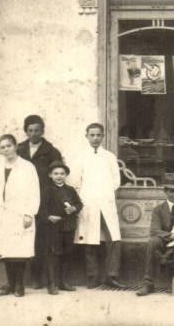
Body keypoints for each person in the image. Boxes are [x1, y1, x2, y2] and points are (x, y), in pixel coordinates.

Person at [73, 123, 126, 289]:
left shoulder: (109, 157)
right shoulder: (81, 157)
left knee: (114, 239)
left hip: (106, 202)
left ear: (103, 136)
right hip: (88, 203)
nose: (95, 138)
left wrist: (105, 194)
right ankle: (93, 276)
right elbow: (75, 181)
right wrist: (86, 197)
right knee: (91, 240)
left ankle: (112, 276)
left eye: (98, 135)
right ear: (87, 136)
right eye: (92, 135)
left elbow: (116, 180)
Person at [16, 114, 64, 289]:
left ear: (43, 131)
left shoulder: (52, 151)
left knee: (43, 240)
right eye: (30, 130)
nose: (33, 134)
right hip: (24, 199)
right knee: (23, 238)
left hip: (44, 200)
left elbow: (57, 176)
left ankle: (43, 279)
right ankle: (21, 279)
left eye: (37, 130)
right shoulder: (19, 150)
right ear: (26, 131)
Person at [0, 134, 40, 297]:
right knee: (5, 250)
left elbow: (34, 192)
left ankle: (19, 285)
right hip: (1, 215)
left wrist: (29, 213)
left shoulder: (27, 167)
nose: (6, 149)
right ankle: (10, 284)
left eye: (9, 146)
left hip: (20, 214)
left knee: (19, 251)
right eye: (2, 147)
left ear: (15, 146)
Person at [37, 160, 82, 294]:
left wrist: (74, 208)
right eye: (56, 173)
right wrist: (48, 217)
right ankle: (52, 284)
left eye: (62, 173)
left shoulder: (70, 190)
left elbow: (79, 204)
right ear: (50, 175)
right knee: (53, 255)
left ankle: (63, 282)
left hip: (68, 226)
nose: (59, 176)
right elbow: (40, 209)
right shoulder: (46, 190)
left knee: (66, 253)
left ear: (66, 175)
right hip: (53, 228)